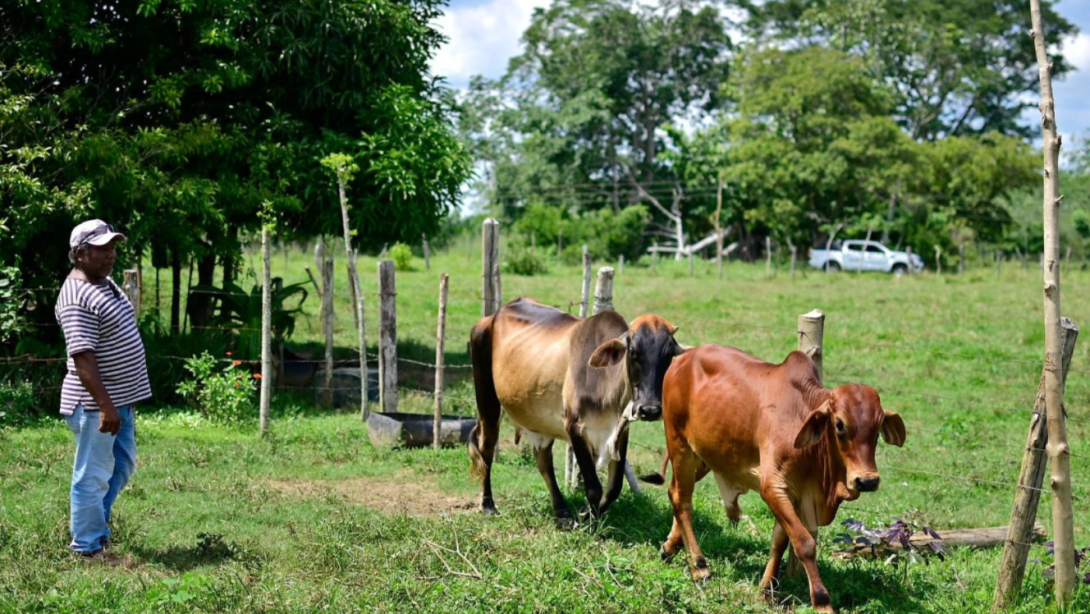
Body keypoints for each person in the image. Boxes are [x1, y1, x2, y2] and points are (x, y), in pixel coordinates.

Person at [55, 219, 151, 562]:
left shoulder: (102, 283)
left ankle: (96, 527)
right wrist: (105, 407)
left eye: (113, 247)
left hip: (116, 402)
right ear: (80, 254)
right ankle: (87, 547)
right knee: (92, 476)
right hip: (96, 405)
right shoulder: (77, 296)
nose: (111, 254)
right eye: (102, 249)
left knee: (121, 465)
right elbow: (83, 358)